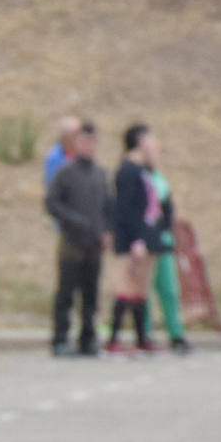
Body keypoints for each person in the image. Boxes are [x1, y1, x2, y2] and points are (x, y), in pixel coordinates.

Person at [43, 119, 109, 357]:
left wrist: (106, 231)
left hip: (93, 243)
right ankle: (60, 338)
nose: (88, 146)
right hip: (71, 242)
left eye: (92, 141)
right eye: (84, 141)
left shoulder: (100, 174)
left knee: (90, 294)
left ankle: (88, 339)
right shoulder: (65, 172)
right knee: (66, 293)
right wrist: (73, 221)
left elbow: (107, 207)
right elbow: (51, 203)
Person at [105, 122, 162, 355]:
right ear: (140, 141)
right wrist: (136, 240)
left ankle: (141, 338)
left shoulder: (144, 171)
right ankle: (113, 340)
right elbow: (126, 210)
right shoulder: (127, 171)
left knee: (140, 290)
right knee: (126, 287)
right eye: (150, 139)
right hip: (131, 240)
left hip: (145, 238)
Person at [145, 147, 192, 354]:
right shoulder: (139, 178)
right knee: (143, 292)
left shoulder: (160, 179)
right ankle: (144, 333)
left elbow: (167, 208)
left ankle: (176, 333)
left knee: (169, 290)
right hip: (146, 243)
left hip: (163, 241)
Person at [41, 116, 79, 191]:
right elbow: (51, 185)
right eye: (75, 135)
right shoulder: (54, 158)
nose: (78, 138)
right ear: (65, 137)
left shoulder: (81, 153)